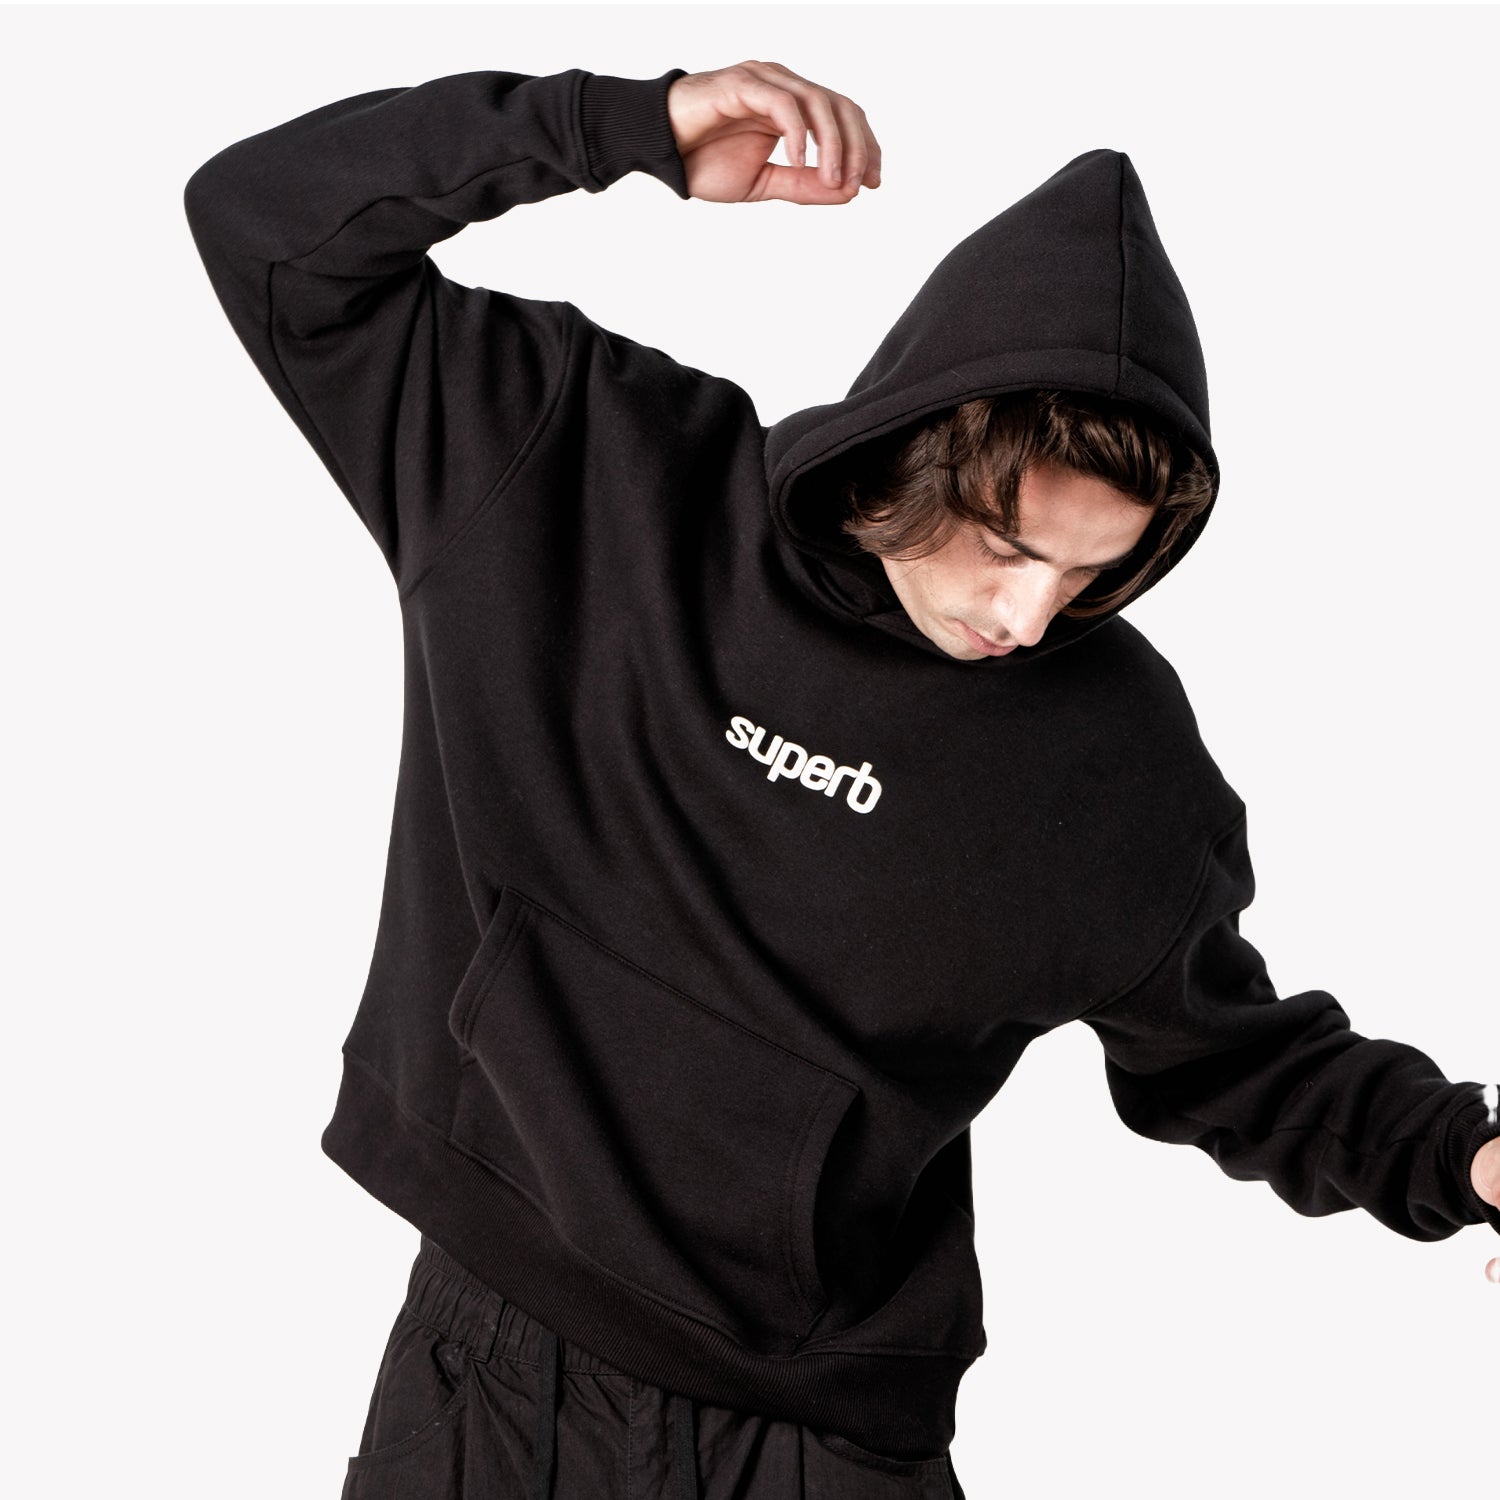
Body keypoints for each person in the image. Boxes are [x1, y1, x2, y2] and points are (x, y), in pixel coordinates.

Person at [183, 59, 1500, 1500]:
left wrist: (1468, 1157)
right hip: (487, 1380)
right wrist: (621, 130)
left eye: (1091, 571)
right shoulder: (588, 475)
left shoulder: (1114, 761)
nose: (1030, 617)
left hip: (815, 1444)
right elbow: (267, 223)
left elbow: (1232, 1057)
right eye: (1007, 547)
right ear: (917, 448)